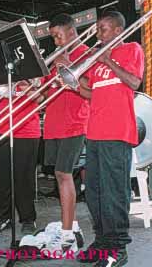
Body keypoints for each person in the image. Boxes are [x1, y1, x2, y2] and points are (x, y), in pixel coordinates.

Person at [77, 11, 144, 267]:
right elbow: (94, 94)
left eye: (103, 29)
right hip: (94, 132)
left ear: (117, 30)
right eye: (97, 29)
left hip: (117, 132)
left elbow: (134, 82)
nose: (98, 34)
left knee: (114, 193)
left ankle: (117, 248)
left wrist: (109, 60)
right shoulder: (96, 61)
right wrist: (74, 84)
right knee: (94, 192)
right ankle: (102, 241)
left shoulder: (131, 49)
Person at [42, 13, 89, 251]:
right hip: (53, 122)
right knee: (60, 176)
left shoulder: (86, 54)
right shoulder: (55, 57)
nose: (55, 41)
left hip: (74, 122)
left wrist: (65, 67)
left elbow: (90, 91)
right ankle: (70, 226)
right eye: (52, 37)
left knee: (64, 174)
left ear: (71, 32)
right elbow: (44, 93)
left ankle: (68, 232)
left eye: (57, 35)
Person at [0, 77, 42, 235]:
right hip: (2, 129)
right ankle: (3, 217)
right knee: (1, 178)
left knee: (24, 178)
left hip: (27, 130)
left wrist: (27, 84)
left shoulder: (33, 71)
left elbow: (41, 97)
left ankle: (28, 219)